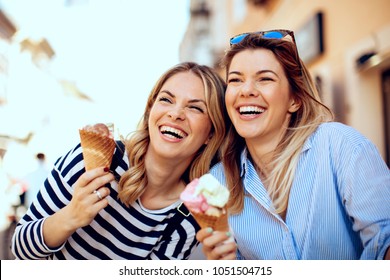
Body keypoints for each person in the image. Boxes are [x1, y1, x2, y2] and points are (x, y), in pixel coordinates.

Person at [197, 30, 390, 260]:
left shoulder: (342, 147)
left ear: (295, 100)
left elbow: (384, 238)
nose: (246, 90)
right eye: (235, 80)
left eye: (265, 78)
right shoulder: (216, 183)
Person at [11, 62, 228, 259]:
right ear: (151, 109)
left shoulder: (187, 217)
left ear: (211, 133)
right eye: (166, 100)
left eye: (195, 107)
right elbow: (19, 248)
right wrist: (71, 217)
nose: (175, 113)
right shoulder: (90, 161)